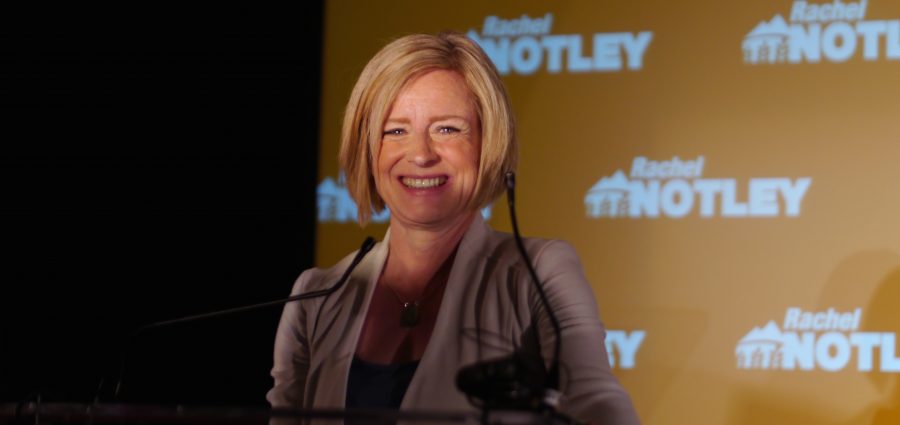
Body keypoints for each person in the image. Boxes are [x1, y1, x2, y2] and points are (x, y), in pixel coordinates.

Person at [267, 32, 640, 425]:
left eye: (447, 129)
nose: (421, 154)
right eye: (395, 131)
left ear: (488, 142)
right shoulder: (315, 297)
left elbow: (596, 400)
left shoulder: (540, 271)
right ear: (367, 149)